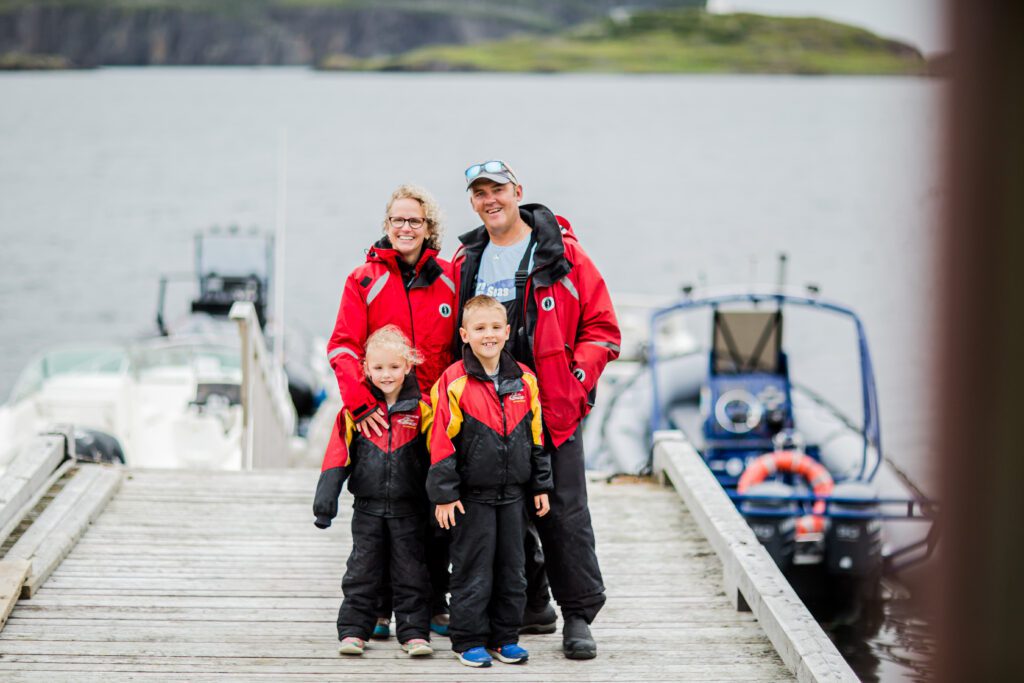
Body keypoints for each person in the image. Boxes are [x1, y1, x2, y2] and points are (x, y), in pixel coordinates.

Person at [452, 160, 621, 660]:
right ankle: (532, 604)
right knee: (502, 506)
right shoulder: (467, 258)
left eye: (497, 190)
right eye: (480, 193)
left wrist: (575, 379)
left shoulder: (562, 254)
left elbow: (603, 329)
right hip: (488, 409)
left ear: (517, 191)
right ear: (473, 201)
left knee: (564, 513)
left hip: (552, 407)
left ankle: (577, 615)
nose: (490, 200)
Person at [326, 184, 455, 638]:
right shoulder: (363, 279)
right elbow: (342, 347)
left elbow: (461, 348)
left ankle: (434, 602)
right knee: (380, 515)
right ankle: (379, 608)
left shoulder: (449, 279)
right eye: (398, 220)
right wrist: (359, 404)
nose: (405, 227)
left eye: (414, 220)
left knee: (434, 513)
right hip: (379, 418)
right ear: (386, 225)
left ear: (428, 228)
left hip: (434, 418)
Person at [427, 295, 553, 668]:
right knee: (472, 570)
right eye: (480, 328)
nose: (489, 335)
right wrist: (445, 495)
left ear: (508, 332)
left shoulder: (525, 381)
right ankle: (468, 640)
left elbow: (536, 438)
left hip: (513, 497)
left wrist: (541, 486)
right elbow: (440, 443)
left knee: (512, 570)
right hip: (471, 499)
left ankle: (505, 637)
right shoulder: (453, 382)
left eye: (496, 327)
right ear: (465, 334)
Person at [313, 325, 434, 657]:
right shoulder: (355, 412)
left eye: (394, 367)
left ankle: (414, 633)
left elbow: (439, 455)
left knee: (411, 571)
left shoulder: (423, 410)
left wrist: (442, 498)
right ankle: (354, 630)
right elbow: (337, 455)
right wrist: (325, 504)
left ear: (408, 366)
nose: (387, 374)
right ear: (365, 368)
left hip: (411, 510)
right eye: (378, 368)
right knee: (363, 570)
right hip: (367, 509)